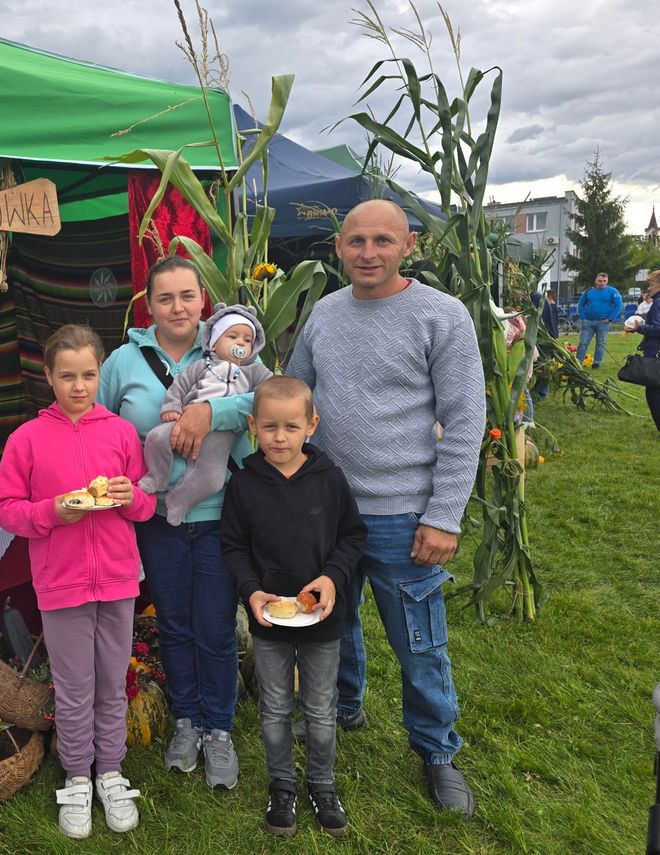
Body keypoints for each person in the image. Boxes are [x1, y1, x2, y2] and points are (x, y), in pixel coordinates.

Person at [287, 199, 486, 818]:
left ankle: (437, 750)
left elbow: (465, 420)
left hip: (405, 515)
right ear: (338, 247)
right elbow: (296, 396)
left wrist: (444, 515)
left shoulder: (441, 316)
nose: (368, 253)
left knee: (418, 641)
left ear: (409, 246)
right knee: (331, 622)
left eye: (382, 240)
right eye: (356, 241)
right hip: (329, 510)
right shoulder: (324, 314)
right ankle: (343, 705)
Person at [0, 325, 155, 839]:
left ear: (100, 372)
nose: (78, 386)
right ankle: (78, 777)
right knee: (75, 686)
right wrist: (50, 512)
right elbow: (3, 506)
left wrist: (131, 497)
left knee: (112, 681)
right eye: (67, 376)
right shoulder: (26, 439)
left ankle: (111, 772)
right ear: (48, 376)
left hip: (118, 579)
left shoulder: (121, 433)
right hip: (61, 583)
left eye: (88, 375)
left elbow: (146, 504)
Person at [98, 256, 253, 790]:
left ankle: (219, 727)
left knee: (215, 626)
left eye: (187, 296)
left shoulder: (232, 344)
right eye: (165, 298)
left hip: (219, 515)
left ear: (202, 299)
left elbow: (269, 400)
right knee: (174, 623)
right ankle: (186, 719)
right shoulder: (122, 361)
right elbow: (98, 426)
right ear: (148, 305)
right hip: (157, 518)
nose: (178, 307)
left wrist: (211, 413)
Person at [220, 376, 366, 837]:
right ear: (252, 426)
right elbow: (233, 547)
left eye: (290, 427)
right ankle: (281, 784)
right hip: (269, 621)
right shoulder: (244, 485)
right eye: (269, 427)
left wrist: (332, 577)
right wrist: (251, 591)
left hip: (321, 619)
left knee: (321, 710)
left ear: (311, 425)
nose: (279, 438)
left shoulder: (329, 478)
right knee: (275, 707)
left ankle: (322, 784)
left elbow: (352, 536)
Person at [138, 303, 273, 525]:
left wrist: (218, 411)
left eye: (247, 340)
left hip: (221, 437)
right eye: (233, 336)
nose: (241, 343)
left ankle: (180, 500)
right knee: (156, 438)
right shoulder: (202, 366)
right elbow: (179, 387)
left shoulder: (254, 371)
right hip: (184, 420)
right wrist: (171, 407)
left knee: (212, 479)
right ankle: (157, 477)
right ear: (214, 342)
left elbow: (272, 394)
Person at [630, 271, 660, 431]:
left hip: (656, 353)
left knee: (654, 393)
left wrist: (639, 327)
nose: (648, 288)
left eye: (651, 284)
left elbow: (657, 328)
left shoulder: (658, 303)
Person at [576, 272, 624, 369]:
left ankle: (596, 363)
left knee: (601, 343)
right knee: (583, 342)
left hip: (603, 322)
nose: (602, 283)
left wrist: (610, 318)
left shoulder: (613, 291)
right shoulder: (589, 291)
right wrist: (583, 318)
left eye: (604, 281)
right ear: (596, 281)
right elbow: (580, 304)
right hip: (588, 322)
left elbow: (619, 305)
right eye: (600, 281)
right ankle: (578, 362)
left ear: (607, 281)